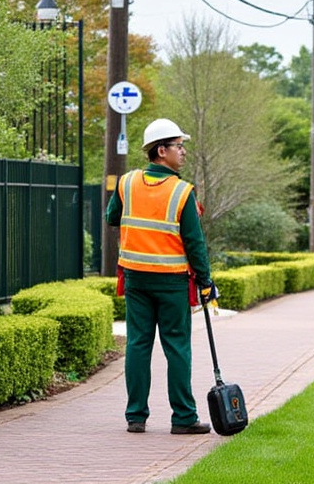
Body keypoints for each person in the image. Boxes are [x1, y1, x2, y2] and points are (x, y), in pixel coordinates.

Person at [106, 117, 218, 435]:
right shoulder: (182, 192)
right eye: (178, 146)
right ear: (161, 151)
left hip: (136, 278)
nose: (183, 152)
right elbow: (194, 243)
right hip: (171, 281)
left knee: (138, 345)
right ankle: (183, 417)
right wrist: (206, 280)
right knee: (177, 346)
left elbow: (111, 217)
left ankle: (135, 417)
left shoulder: (127, 183)